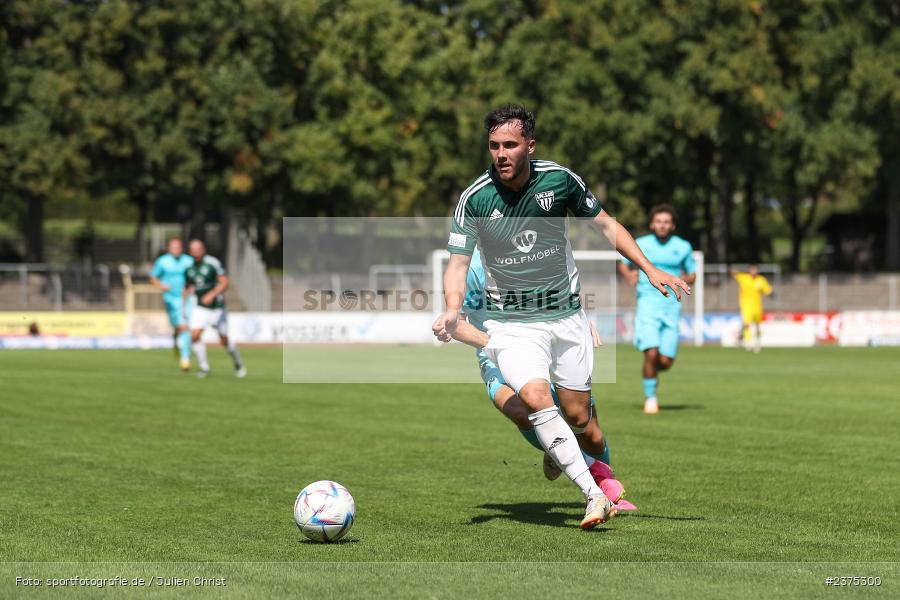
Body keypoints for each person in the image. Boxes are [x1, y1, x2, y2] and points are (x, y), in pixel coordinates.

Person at [432, 105, 688, 529]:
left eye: (510, 144)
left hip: (565, 317)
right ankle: (594, 494)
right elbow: (457, 264)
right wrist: (453, 309)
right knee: (534, 399)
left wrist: (648, 267)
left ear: (530, 145)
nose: (501, 153)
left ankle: (564, 451)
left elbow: (607, 226)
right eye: (494, 145)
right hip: (511, 324)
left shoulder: (559, 180)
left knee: (579, 416)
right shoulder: (475, 199)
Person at [452, 247, 637, 512]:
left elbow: (561, 293)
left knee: (587, 428)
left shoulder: (535, 251)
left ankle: (585, 469)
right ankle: (597, 482)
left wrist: (579, 321)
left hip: (550, 345)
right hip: (496, 355)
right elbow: (456, 322)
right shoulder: (472, 269)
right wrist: (501, 344)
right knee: (519, 410)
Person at [617, 205, 697, 415]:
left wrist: (686, 279)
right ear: (652, 224)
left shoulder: (683, 247)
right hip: (647, 305)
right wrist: (628, 274)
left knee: (665, 361)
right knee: (651, 353)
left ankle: (651, 371)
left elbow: (692, 273)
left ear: (672, 225)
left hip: (671, 307)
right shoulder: (641, 244)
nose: (662, 225)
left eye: (666, 222)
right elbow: (623, 263)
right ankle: (650, 397)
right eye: (658, 221)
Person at [183, 239, 246, 379]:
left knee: (224, 340)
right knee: (195, 335)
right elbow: (188, 286)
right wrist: (185, 297)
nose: (196, 252)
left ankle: (237, 361)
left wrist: (212, 294)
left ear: (203, 250)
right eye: (193, 250)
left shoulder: (212, 263)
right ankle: (204, 368)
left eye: (198, 249)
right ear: (190, 252)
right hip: (200, 307)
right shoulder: (189, 268)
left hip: (217, 308)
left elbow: (225, 283)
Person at [149, 238, 194, 371]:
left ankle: (185, 359)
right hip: (170, 299)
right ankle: (175, 339)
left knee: (185, 326)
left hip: (186, 299)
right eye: (174, 247)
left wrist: (190, 288)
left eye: (178, 247)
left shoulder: (189, 261)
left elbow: (195, 277)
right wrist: (161, 286)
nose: (176, 250)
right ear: (169, 248)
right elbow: (153, 278)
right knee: (177, 326)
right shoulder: (162, 261)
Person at [730, 264, 773, 353]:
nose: (754, 271)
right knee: (746, 323)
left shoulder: (761, 280)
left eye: (755, 269)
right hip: (746, 305)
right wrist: (732, 270)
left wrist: (772, 294)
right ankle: (748, 342)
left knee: (757, 326)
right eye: (752, 269)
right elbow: (734, 274)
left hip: (757, 306)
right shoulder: (744, 277)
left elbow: (768, 290)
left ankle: (758, 342)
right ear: (749, 270)